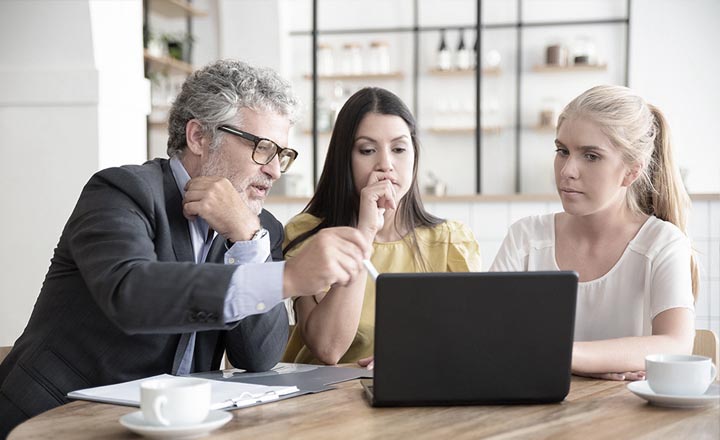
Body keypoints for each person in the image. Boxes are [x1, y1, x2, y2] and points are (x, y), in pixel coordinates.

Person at [0, 59, 371, 436]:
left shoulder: (260, 229)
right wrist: (285, 278)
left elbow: (259, 355)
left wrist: (247, 240)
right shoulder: (121, 191)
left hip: (170, 427)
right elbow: (132, 294)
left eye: (283, 155)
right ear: (198, 137)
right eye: (263, 148)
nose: (275, 170)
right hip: (54, 420)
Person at [490, 85, 698, 380]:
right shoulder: (525, 237)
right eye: (562, 151)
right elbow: (489, 337)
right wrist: (596, 362)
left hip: (630, 418)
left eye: (590, 156)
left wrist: (567, 356)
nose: (567, 171)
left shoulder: (661, 243)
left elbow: (676, 345)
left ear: (631, 171)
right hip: (534, 416)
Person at [282, 87, 482, 366]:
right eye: (367, 150)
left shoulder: (450, 241)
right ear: (345, 159)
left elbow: (470, 341)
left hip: (412, 394)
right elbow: (328, 348)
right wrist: (365, 232)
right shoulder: (310, 234)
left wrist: (413, 358)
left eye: (399, 149)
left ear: (414, 156)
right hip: (322, 399)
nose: (386, 164)